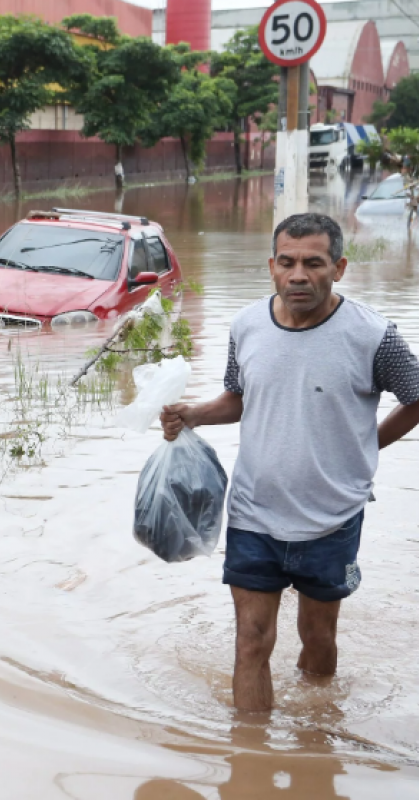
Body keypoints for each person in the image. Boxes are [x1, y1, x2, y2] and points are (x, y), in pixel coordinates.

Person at [160, 213, 419, 713]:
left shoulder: (373, 335)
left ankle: (315, 743)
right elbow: (238, 399)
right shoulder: (246, 325)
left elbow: (415, 397)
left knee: (318, 639)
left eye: (314, 263)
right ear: (272, 267)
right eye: (288, 262)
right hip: (254, 514)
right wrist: (192, 415)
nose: (299, 274)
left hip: (333, 519)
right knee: (251, 643)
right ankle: (250, 762)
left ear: (339, 268)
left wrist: (368, 446)